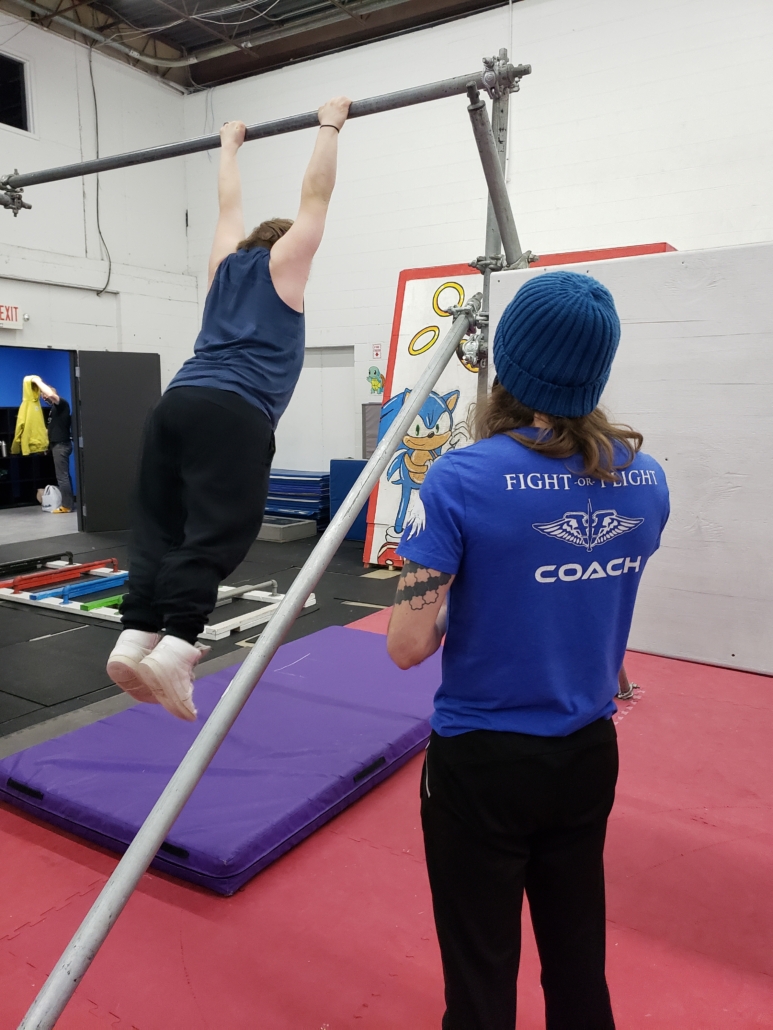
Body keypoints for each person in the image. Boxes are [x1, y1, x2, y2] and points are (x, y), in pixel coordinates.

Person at [387, 271, 670, 1030]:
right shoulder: (646, 480)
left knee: (480, 979)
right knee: (578, 961)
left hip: (483, 763)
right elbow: (597, 598)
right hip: (585, 754)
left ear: (506, 365)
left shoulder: (457, 479)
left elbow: (406, 646)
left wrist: (464, 600)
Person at [106, 96, 351, 721]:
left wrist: (229, 147)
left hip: (176, 403)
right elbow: (316, 201)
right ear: (285, 247)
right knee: (220, 531)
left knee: (162, 524)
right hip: (233, 413)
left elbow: (227, 208)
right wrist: (330, 126)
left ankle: (136, 635)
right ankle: (180, 646)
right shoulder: (285, 267)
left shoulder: (222, 269)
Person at [27, 376, 75, 514]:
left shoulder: (62, 404)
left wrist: (38, 382)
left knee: (62, 477)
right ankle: (68, 503)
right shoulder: (53, 410)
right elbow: (51, 429)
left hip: (61, 445)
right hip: (56, 445)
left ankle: (67, 506)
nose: (44, 397)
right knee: (64, 476)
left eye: (44, 394)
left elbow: (50, 394)